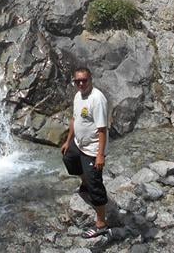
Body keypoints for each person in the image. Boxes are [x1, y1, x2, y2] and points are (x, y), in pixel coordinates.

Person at [61, 67, 110, 239]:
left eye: (84, 80)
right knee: (68, 158)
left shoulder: (97, 99)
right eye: (78, 81)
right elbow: (75, 119)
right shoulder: (77, 96)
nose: (81, 84)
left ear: (91, 79)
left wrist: (100, 155)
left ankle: (101, 224)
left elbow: (102, 130)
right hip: (78, 144)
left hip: (93, 149)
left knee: (95, 184)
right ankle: (85, 184)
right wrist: (68, 141)